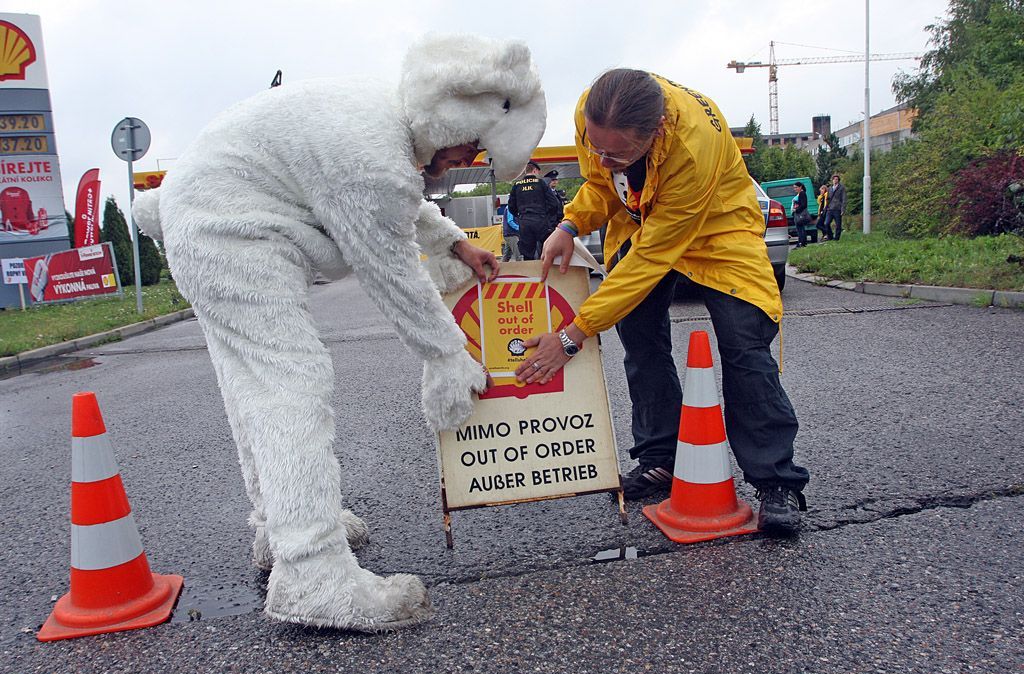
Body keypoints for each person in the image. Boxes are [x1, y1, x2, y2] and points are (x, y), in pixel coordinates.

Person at [131, 34, 547, 631]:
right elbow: (389, 266)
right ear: (448, 115)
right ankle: (312, 576)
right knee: (288, 386)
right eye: (471, 147)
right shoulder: (372, 151)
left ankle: (279, 529)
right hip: (229, 230)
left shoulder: (383, 119)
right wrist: (445, 356)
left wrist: (451, 240)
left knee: (253, 390)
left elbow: (394, 203)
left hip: (206, 215)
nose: (467, 160)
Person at [514, 69, 809, 534]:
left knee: (744, 345)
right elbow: (601, 185)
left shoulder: (694, 147)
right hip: (645, 220)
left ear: (656, 134)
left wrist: (572, 336)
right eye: (596, 146)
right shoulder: (592, 111)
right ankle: (661, 459)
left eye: (618, 152)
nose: (604, 158)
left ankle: (776, 482)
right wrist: (568, 226)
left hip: (717, 229)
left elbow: (651, 258)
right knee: (641, 342)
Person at [507, 161, 563, 260]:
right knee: (546, 249)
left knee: (528, 253)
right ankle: (547, 271)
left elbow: (511, 206)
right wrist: (549, 219)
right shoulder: (541, 183)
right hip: (540, 220)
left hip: (524, 222)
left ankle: (531, 274)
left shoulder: (517, 185)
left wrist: (520, 216)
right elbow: (554, 203)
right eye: (538, 172)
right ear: (535, 170)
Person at [822, 173, 847, 241]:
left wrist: (843, 209)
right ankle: (830, 236)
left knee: (838, 225)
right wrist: (825, 207)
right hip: (830, 209)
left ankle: (836, 238)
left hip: (837, 208)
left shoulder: (841, 188)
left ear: (838, 180)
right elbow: (828, 198)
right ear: (832, 180)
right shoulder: (830, 188)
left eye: (836, 179)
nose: (835, 180)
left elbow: (844, 199)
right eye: (834, 179)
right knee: (826, 223)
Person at [792, 182, 810, 247]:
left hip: (800, 214)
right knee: (801, 228)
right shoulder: (800, 193)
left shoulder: (802, 193)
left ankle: (801, 243)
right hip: (799, 213)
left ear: (800, 187)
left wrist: (796, 209)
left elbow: (804, 205)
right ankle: (802, 242)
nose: (795, 189)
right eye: (794, 187)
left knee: (800, 229)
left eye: (796, 187)